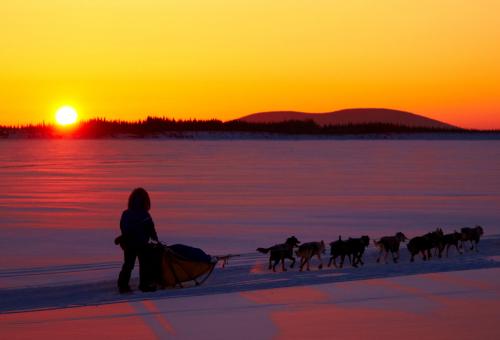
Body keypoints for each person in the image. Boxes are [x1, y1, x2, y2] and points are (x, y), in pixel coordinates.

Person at [117, 187, 159, 293]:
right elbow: (151, 229)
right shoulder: (144, 215)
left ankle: (123, 285)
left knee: (129, 265)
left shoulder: (126, 213)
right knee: (143, 265)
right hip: (140, 243)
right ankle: (143, 285)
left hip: (131, 244)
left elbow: (123, 228)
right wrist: (155, 240)